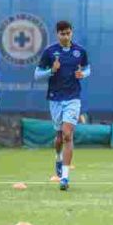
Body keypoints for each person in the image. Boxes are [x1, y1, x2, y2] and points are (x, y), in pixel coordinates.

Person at [34, 21, 91, 191]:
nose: (66, 36)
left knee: (67, 135)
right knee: (59, 137)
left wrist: (83, 74)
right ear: (57, 34)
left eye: (68, 33)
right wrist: (51, 71)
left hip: (73, 98)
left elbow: (88, 69)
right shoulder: (50, 52)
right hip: (55, 98)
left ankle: (65, 178)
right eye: (62, 34)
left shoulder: (80, 51)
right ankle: (58, 157)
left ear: (72, 33)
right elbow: (37, 75)